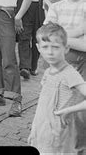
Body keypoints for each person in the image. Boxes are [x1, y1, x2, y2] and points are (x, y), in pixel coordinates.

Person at [28, 22, 86, 155]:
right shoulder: (48, 72)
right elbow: (42, 105)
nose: (50, 52)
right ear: (38, 48)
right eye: (45, 47)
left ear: (66, 48)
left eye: (55, 47)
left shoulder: (69, 74)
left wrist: (68, 110)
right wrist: (34, 131)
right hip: (42, 132)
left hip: (59, 136)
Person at [16, 0, 45, 80]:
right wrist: (18, 15)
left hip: (40, 9)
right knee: (24, 37)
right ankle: (24, 67)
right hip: (26, 9)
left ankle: (33, 66)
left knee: (37, 38)